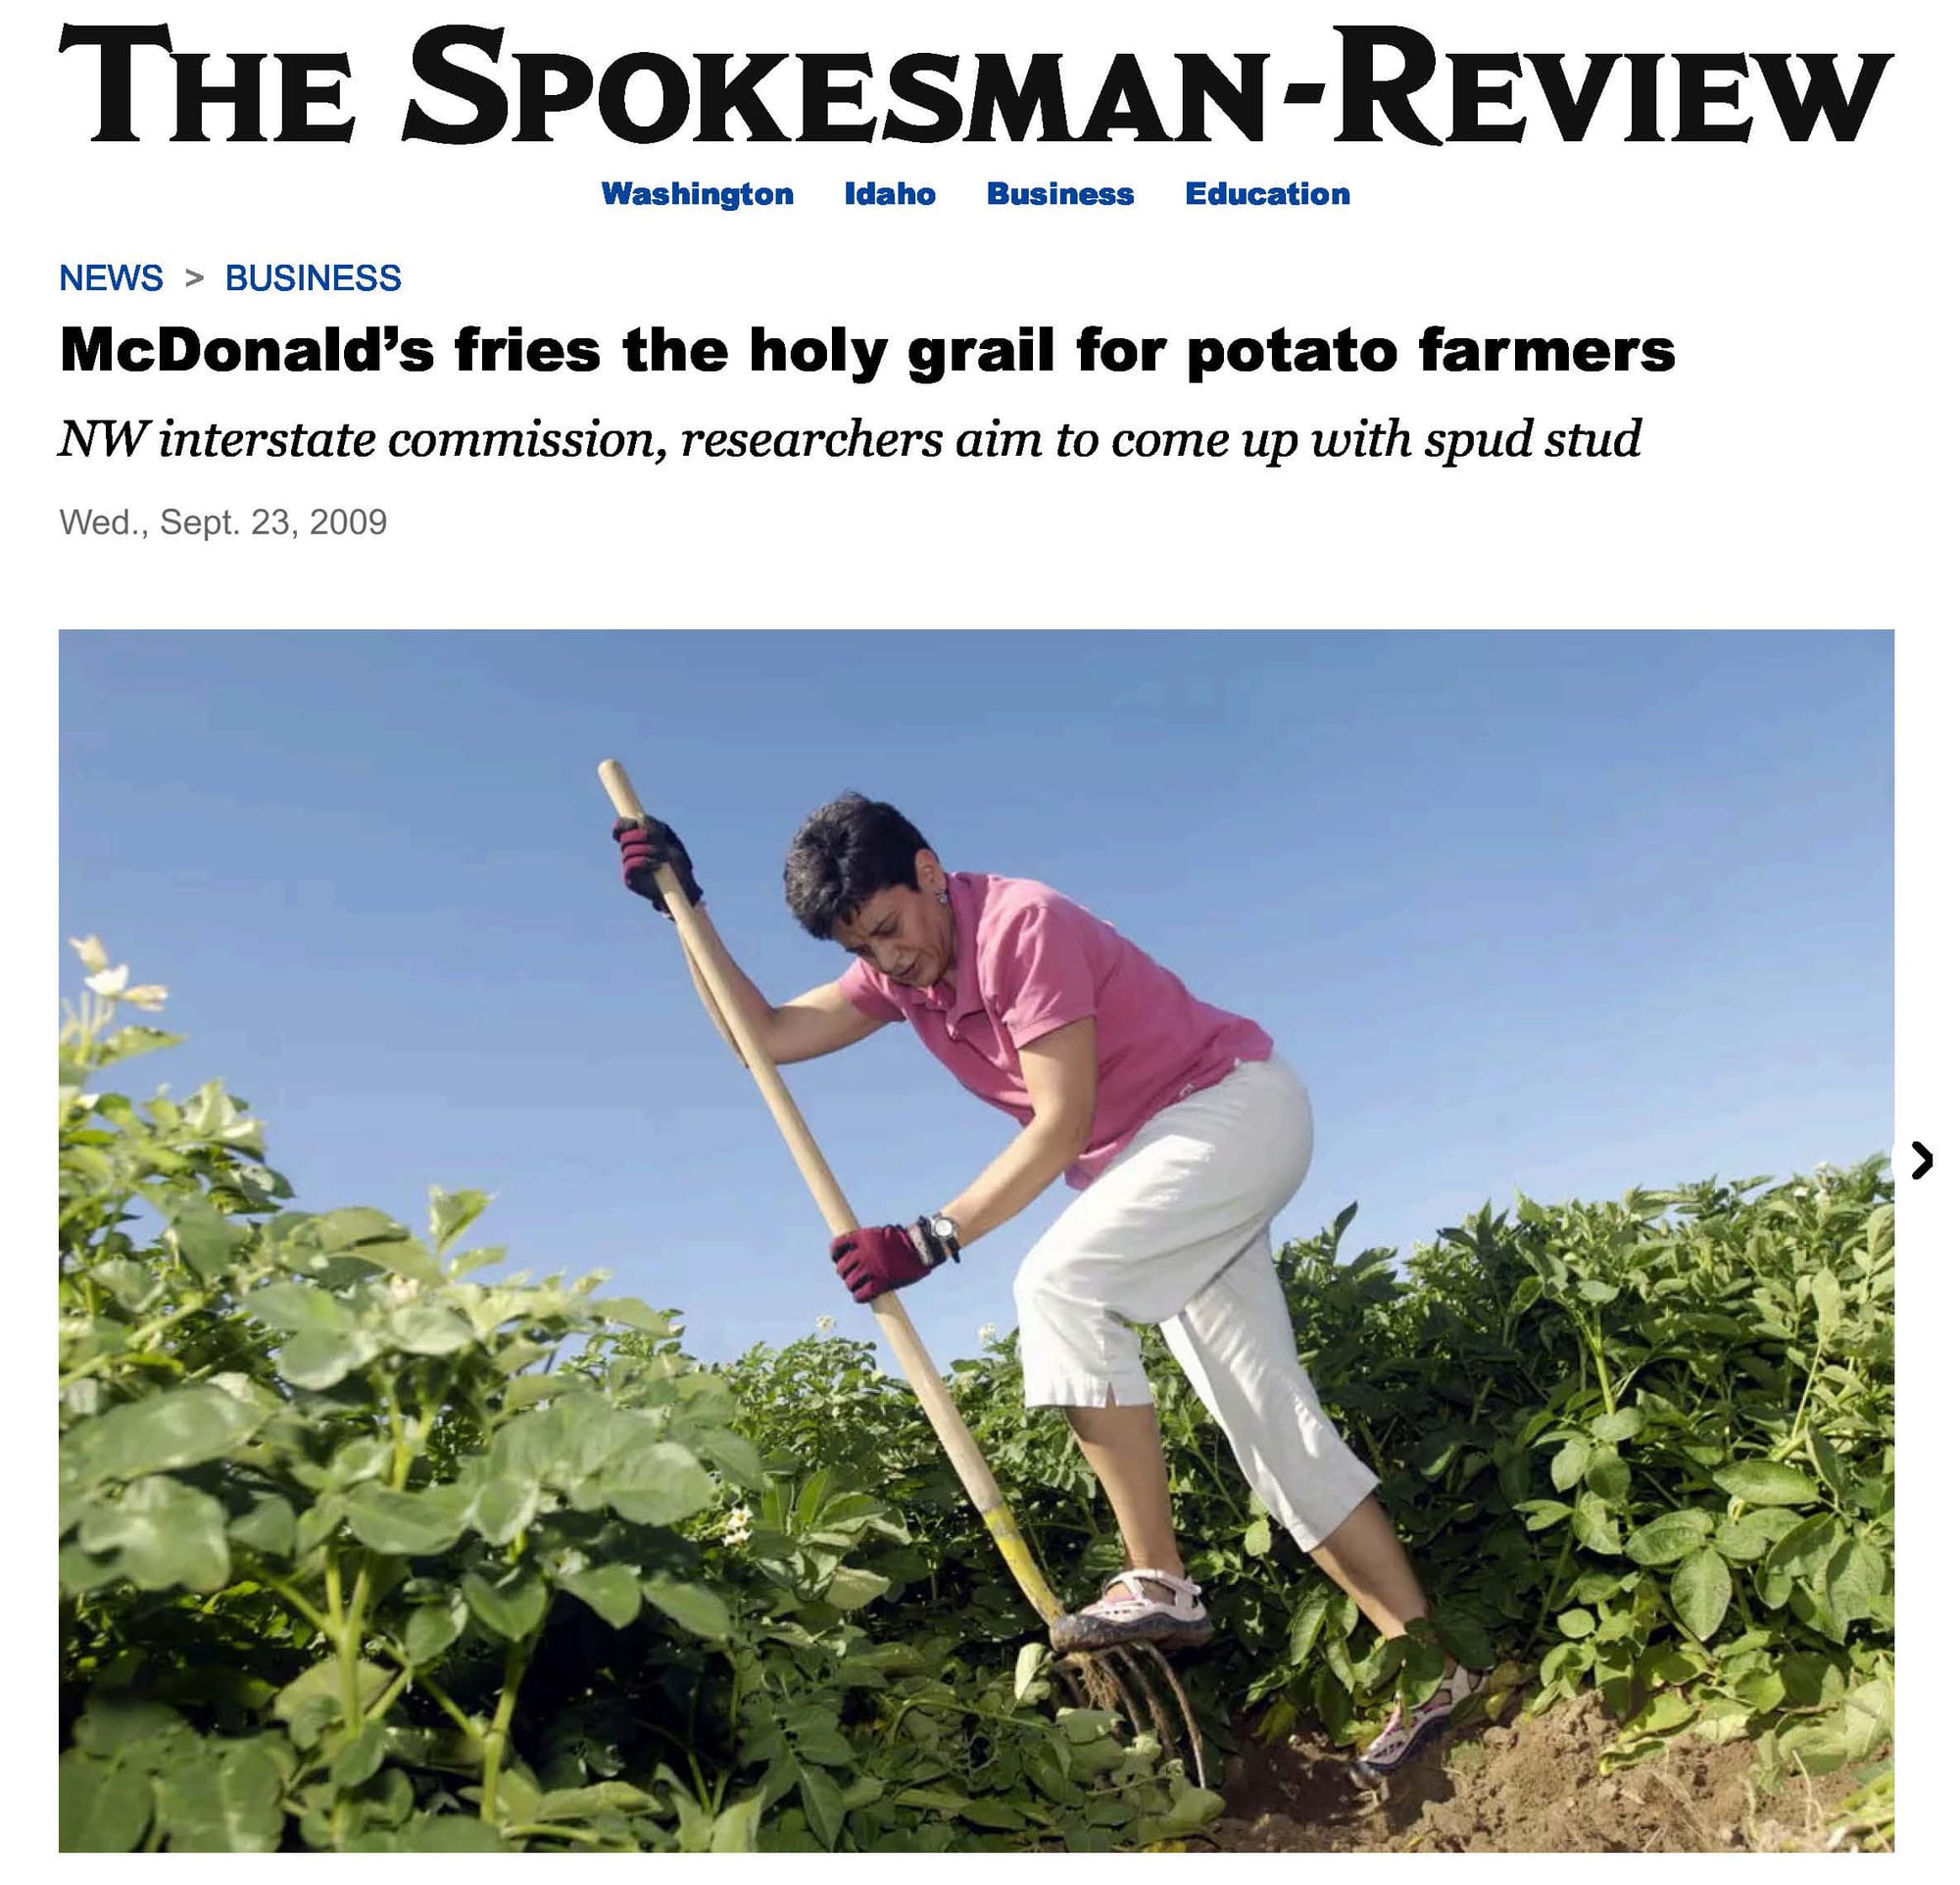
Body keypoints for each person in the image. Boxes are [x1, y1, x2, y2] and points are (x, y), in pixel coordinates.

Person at [612, 793, 1485, 1776]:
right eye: (863, 945)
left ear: (930, 871)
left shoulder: (1018, 924)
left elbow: (1060, 1120)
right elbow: (761, 1036)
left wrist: (932, 1237)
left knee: (1058, 1286)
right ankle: (1431, 1667)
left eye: (892, 927)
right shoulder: (901, 980)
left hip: (1225, 1113)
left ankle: (1157, 1580)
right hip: (1156, 1170)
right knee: (1273, 1433)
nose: (889, 959)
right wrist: (682, 911)